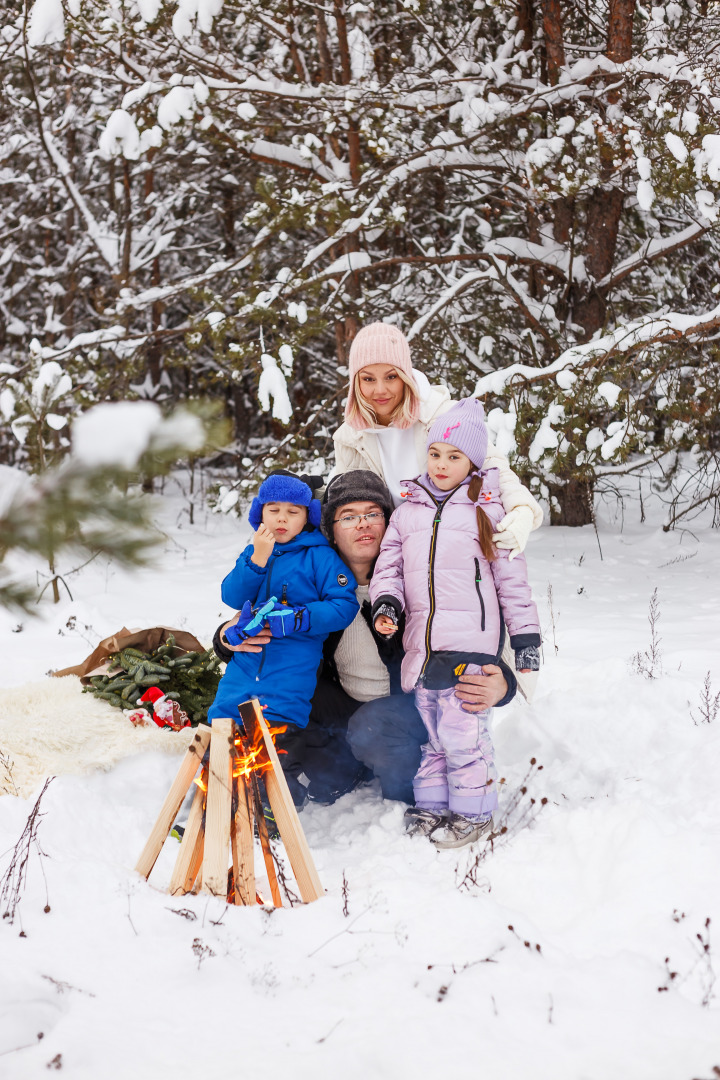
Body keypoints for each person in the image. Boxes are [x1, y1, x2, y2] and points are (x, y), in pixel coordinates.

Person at [214, 470, 516, 805]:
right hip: (344, 709)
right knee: (288, 703)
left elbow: (470, 634)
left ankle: (412, 787)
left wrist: (503, 682)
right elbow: (272, 628)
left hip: (408, 714)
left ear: (390, 523)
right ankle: (309, 776)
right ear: (330, 528)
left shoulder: (419, 581)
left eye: (373, 514)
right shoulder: (319, 580)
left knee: (372, 725)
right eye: (349, 516)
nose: (363, 524)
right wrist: (225, 636)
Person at [370, 398, 541, 849]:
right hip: (422, 649)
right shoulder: (408, 510)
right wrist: (386, 605)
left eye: (455, 456)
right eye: (435, 453)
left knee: (464, 735)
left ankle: (474, 813)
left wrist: (526, 641)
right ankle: (433, 804)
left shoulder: (488, 510)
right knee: (432, 736)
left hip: (472, 648)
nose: (442, 464)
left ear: (473, 462)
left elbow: (513, 584)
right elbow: (388, 567)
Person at [208, 470, 359, 806]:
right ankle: (213, 807)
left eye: (293, 512)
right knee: (223, 738)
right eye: (273, 509)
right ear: (259, 513)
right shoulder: (254, 552)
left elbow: (343, 605)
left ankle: (275, 805)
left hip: (289, 675)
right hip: (243, 670)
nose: (282, 519)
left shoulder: (318, 556)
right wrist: (257, 560)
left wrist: (299, 618)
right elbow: (232, 596)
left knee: (274, 747)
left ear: (307, 517)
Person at [332, 322, 543, 561]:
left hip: (450, 553)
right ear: (356, 383)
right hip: (390, 559)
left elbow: (492, 465)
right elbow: (344, 502)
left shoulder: (443, 416)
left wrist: (522, 509)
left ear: (405, 376)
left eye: (391, 376)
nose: (380, 389)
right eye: (368, 379)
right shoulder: (350, 437)